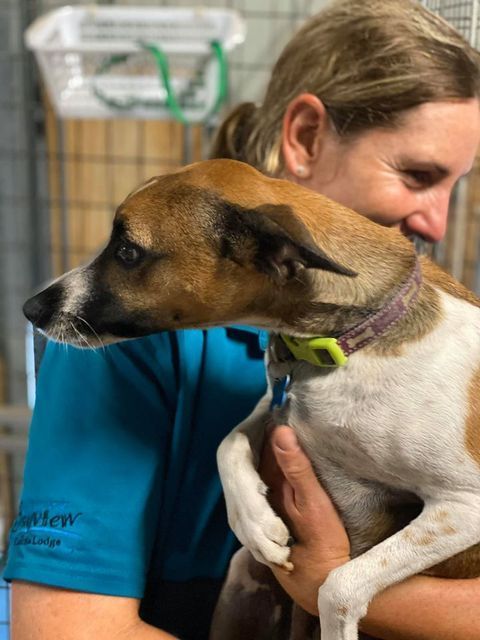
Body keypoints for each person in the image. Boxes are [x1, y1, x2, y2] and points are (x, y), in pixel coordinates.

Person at [6, 0, 480, 638]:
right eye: (416, 174)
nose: (437, 223)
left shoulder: (426, 334)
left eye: (456, 183)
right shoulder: (130, 335)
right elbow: (64, 629)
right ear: (306, 136)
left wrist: (327, 586)